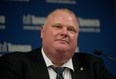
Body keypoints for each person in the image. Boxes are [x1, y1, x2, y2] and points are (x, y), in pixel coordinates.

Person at [0, 8, 115, 79]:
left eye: (71, 29)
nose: (64, 33)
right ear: (42, 32)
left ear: (77, 37)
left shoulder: (93, 66)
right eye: (57, 27)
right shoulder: (15, 64)